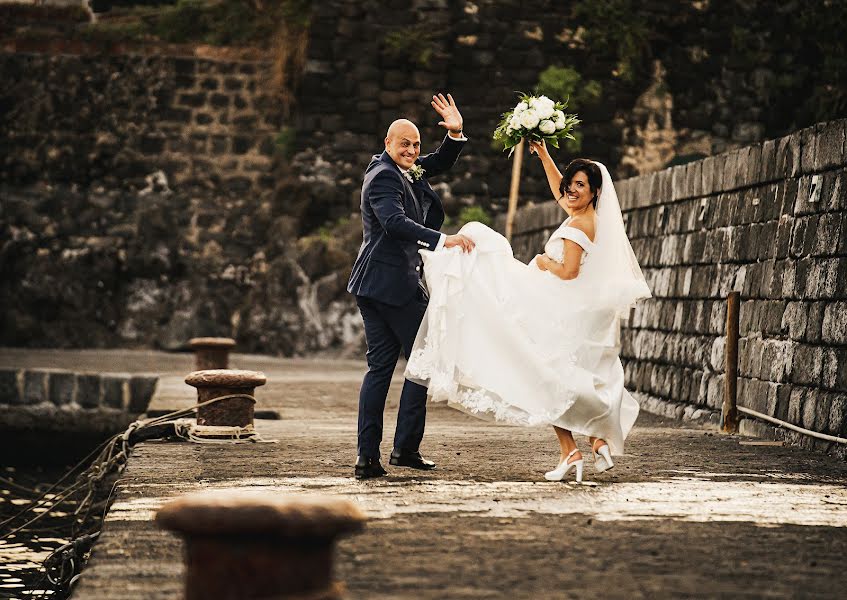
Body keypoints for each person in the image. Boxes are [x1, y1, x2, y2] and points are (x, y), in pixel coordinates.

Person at [405, 139, 651, 482]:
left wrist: (543, 261)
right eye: (572, 184)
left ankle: (578, 448)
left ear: (595, 191)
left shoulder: (580, 225)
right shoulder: (586, 216)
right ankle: (591, 444)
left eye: (581, 185)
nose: (572, 190)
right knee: (555, 376)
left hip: (556, 304)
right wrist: (545, 156)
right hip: (570, 308)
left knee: (542, 373)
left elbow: (569, 271)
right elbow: (559, 191)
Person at [347, 93, 475, 480]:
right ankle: (404, 449)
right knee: (424, 360)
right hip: (392, 284)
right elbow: (395, 223)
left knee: (380, 369)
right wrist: (442, 239)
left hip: (374, 283)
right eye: (405, 143)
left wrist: (454, 135)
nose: (413, 151)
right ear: (388, 143)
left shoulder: (396, 168)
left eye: (416, 145)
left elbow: (434, 163)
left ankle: (368, 459)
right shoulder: (385, 176)